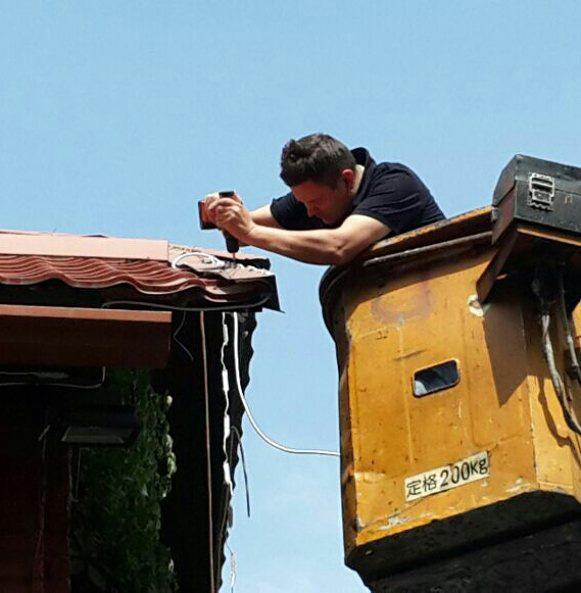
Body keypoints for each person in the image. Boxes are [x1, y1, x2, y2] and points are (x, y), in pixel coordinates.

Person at [204, 133, 445, 265]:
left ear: (347, 180)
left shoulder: (395, 184)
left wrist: (250, 232)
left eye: (315, 202)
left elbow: (338, 246)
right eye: (304, 203)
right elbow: (245, 228)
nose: (309, 212)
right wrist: (222, 214)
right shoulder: (312, 198)